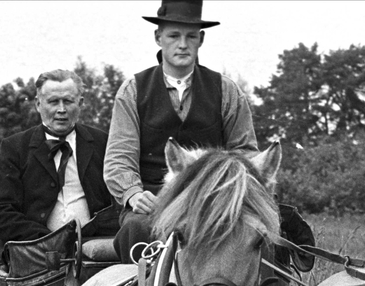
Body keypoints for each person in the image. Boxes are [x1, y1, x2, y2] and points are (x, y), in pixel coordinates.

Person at [103, 0, 257, 263]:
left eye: (191, 36)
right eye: (174, 35)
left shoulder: (226, 91)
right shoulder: (132, 91)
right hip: (154, 203)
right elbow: (118, 160)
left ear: (201, 39)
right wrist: (133, 195)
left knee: (260, 233)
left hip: (214, 202)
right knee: (137, 230)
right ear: (158, 37)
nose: (182, 44)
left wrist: (229, 194)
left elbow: (246, 154)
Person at [0, 69, 118, 251]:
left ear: (80, 103)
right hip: (34, 250)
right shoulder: (15, 148)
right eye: (53, 102)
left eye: (68, 101)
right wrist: (47, 240)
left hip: (95, 249)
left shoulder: (104, 143)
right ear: (38, 104)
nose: (61, 110)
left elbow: (119, 202)